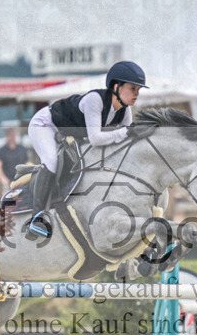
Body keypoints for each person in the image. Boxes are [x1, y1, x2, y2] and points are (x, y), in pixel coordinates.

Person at [24, 60, 147, 238]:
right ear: (116, 86)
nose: (136, 94)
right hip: (45, 124)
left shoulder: (125, 110)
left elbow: (123, 142)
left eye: (138, 89)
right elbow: (95, 138)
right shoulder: (95, 100)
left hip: (70, 134)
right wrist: (124, 132)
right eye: (133, 88)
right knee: (51, 161)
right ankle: (36, 219)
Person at [0, 120, 29, 187]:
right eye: (10, 135)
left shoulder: (22, 149)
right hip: (8, 182)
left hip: (22, 181)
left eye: (14, 135)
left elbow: (27, 163)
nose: (12, 137)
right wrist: (3, 178)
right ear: (7, 136)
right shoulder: (1, 151)